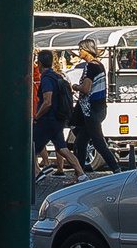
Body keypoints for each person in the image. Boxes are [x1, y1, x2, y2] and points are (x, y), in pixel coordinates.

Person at [71, 41, 121, 172]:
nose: (79, 52)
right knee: (81, 142)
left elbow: (86, 89)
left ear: (86, 50)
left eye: (80, 49)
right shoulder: (99, 65)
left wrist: (75, 87)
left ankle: (115, 168)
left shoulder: (90, 66)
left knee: (98, 141)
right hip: (98, 108)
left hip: (90, 110)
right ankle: (79, 172)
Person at [29, 50, 78, 182]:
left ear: (39, 63)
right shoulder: (56, 76)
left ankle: (36, 172)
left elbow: (47, 101)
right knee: (62, 148)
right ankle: (81, 173)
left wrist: (37, 117)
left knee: (31, 146)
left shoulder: (45, 78)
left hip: (48, 119)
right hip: (58, 118)